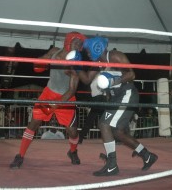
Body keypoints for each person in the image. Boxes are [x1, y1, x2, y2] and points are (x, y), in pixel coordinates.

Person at [79, 36, 158, 176]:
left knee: (104, 124)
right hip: (117, 97)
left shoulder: (115, 56)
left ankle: (112, 164)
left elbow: (132, 74)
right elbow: (86, 79)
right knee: (118, 132)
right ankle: (147, 155)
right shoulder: (97, 63)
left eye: (89, 50)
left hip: (127, 93)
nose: (88, 54)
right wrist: (75, 65)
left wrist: (113, 82)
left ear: (96, 47)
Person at [9, 32, 87, 169]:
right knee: (33, 123)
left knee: (73, 131)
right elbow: (38, 63)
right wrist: (41, 63)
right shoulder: (54, 52)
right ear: (68, 42)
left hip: (66, 98)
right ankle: (20, 155)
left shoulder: (75, 63)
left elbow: (72, 90)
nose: (79, 47)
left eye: (81, 45)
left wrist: (56, 105)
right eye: (77, 43)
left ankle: (73, 152)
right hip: (48, 94)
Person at [78, 72, 108, 144]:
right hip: (99, 98)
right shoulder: (95, 77)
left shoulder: (99, 75)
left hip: (99, 98)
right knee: (102, 119)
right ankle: (110, 137)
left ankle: (81, 137)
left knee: (93, 119)